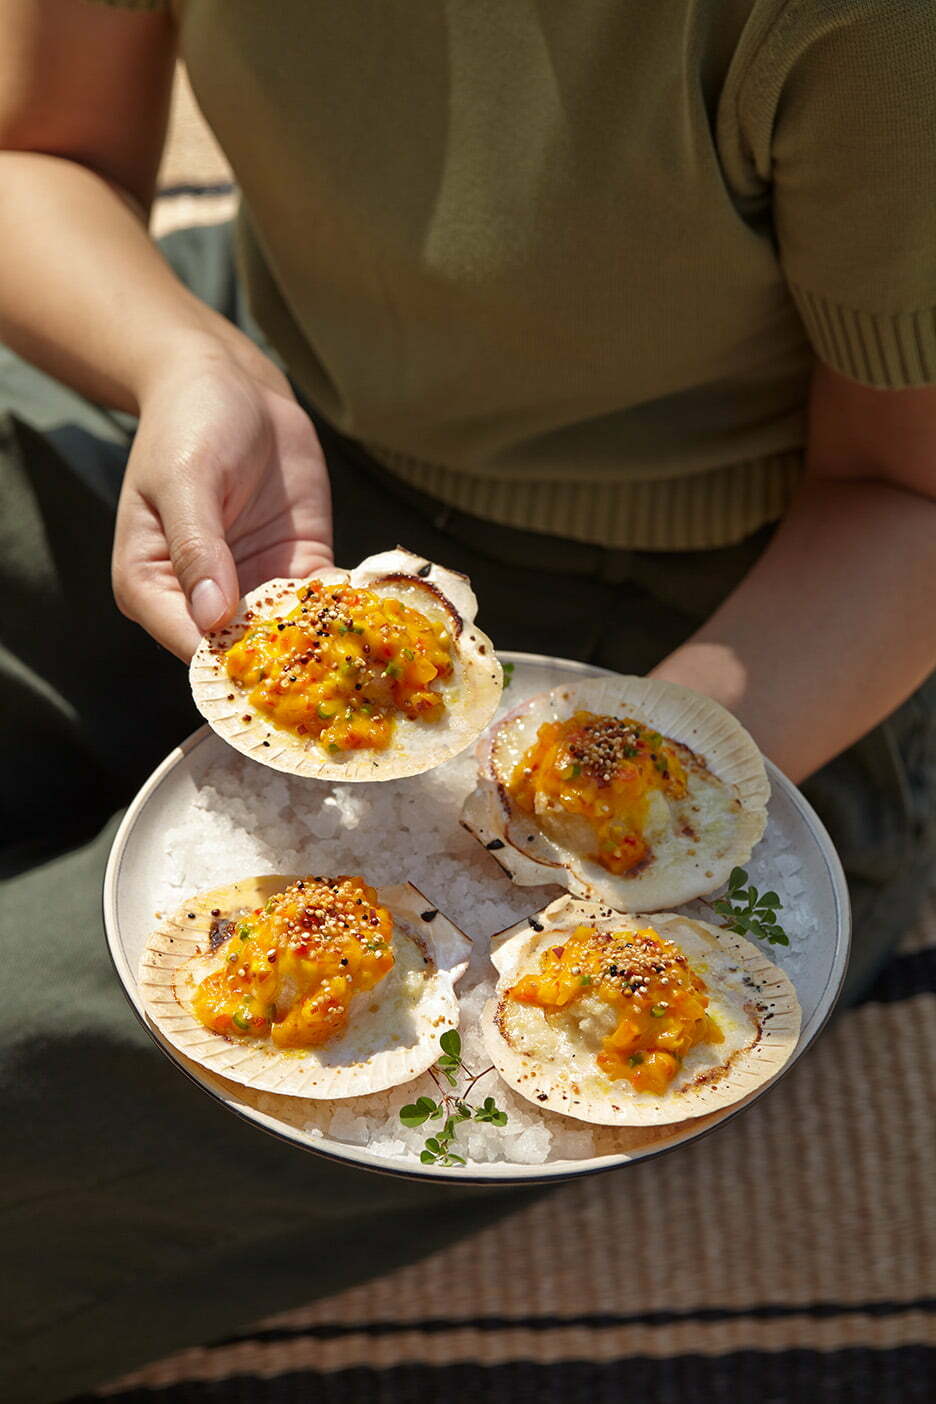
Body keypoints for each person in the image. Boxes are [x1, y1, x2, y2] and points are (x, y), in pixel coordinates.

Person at [2, 2, 934, 1399]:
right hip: (269, 412)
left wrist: (613, 798)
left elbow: (910, 497)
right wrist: (190, 363)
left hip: (733, 626)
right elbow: (38, 154)